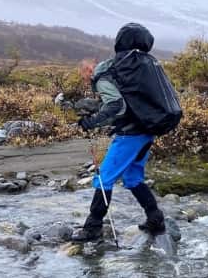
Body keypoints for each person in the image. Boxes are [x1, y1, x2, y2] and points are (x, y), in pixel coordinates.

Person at [70, 23, 166, 242]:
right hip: (147, 130)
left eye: (84, 72)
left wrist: (92, 122)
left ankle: (93, 227)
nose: (85, 75)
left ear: (89, 69)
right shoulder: (142, 65)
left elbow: (116, 106)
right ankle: (155, 218)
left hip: (130, 135)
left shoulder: (107, 73)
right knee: (132, 178)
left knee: (104, 179)